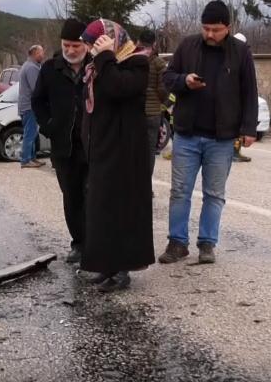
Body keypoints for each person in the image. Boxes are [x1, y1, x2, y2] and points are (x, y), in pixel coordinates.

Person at [160, 0, 258, 265]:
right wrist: (184, 81)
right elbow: (167, 77)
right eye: (206, 28)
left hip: (222, 138)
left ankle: (207, 244)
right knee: (180, 191)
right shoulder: (188, 45)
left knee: (214, 194)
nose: (210, 34)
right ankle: (177, 243)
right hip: (187, 134)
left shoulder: (240, 52)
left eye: (215, 29)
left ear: (227, 27)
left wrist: (250, 128)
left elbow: (250, 91)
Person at [79, 19, 155, 292]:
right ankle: (106, 264)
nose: (89, 49)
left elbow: (117, 88)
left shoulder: (137, 63)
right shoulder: (98, 66)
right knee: (101, 209)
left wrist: (106, 57)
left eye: (92, 43)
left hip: (126, 151)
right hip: (104, 146)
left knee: (122, 210)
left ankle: (123, 268)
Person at [32, 18, 89, 263]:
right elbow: (37, 101)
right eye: (67, 45)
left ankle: (96, 244)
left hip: (93, 146)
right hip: (64, 148)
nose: (71, 50)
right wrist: (49, 127)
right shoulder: (50, 69)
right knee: (72, 196)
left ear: (86, 45)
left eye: (76, 45)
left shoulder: (96, 67)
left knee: (94, 196)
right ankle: (79, 243)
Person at [138, 30, 169, 178]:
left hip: (136, 112)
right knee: (149, 151)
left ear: (139, 42)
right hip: (153, 114)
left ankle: (132, 187)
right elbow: (164, 89)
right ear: (154, 44)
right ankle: (145, 188)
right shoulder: (159, 63)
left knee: (133, 150)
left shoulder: (133, 59)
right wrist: (162, 102)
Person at [18, 45, 46, 168]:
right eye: (41, 53)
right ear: (34, 53)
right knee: (29, 133)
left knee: (33, 133)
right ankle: (26, 160)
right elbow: (36, 88)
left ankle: (32, 158)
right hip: (29, 106)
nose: (42, 55)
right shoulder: (31, 68)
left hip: (27, 105)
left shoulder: (28, 65)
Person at [232, 32, 253, 163]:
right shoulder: (237, 58)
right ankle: (234, 152)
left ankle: (234, 151)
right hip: (235, 100)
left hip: (235, 99)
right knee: (236, 127)